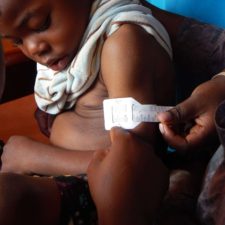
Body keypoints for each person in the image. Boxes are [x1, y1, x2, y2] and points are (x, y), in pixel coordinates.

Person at [0, 0, 174, 224]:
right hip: (60, 172)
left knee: (6, 199)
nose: (33, 48)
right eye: (17, 41)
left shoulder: (121, 44)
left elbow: (134, 165)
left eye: (41, 24)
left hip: (97, 191)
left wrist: (34, 157)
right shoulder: (71, 41)